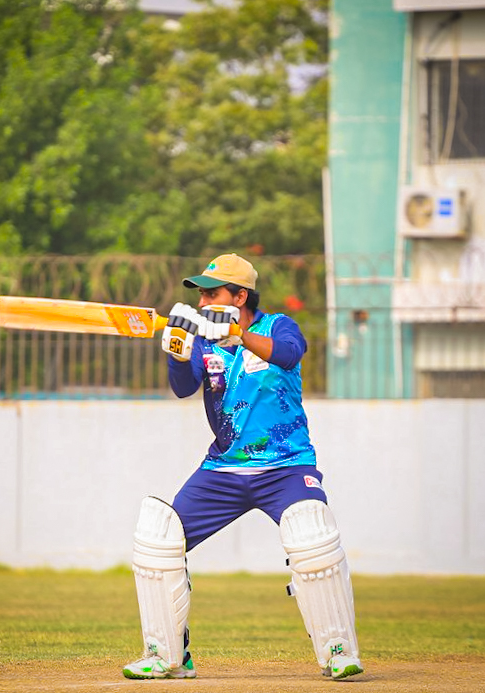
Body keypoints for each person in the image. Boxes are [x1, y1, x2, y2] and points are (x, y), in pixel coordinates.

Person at [122, 253, 363, 681]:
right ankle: (167, 657)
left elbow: (288, 354)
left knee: (312, 536)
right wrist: (178, 350)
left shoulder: (277, 326)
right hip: (223, 470)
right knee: (160, 539)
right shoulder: (204, 340)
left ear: (240, 297)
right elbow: (183, 388)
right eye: (201, 295)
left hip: (286, 466)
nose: (202, 302)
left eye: (212, 294)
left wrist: (238, 335)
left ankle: (338, 651)